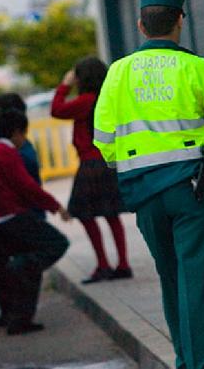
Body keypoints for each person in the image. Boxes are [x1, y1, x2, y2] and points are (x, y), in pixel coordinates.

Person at [93, 0, 204, 369]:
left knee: (170, 278)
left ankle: (185, 361)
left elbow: (103, 140)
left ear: (140, 24)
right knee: (194, 279)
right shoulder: (199, 69)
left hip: (143, 191)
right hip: (192, 189)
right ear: (180, 21)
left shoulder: (117, 73)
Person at [0, 109, 70, 335]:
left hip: (0, 221)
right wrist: (56, 206)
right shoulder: (6, 154)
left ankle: (19, 318)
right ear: (16, 132)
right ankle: (21, 268)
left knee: (30, 266)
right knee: (56, 245)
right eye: (23, 134)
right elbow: (27, 186)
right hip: (14, 217)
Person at [51, 57, 132, 284]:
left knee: (84, 214)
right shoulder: (109, 98)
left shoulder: (85, 101)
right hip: (109, 161)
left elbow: (56, 110)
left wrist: (64, 85)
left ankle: (103, 264)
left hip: (90, 163)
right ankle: (123, 264)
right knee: (111, 213)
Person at [0, 93, 45, 328]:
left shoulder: (17, 150)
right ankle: (13, 313)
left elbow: (27, 189)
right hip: (11, 216)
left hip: (19, 217)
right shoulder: (5, 144)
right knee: (6, 268)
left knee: (22, 268)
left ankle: (19, 316)